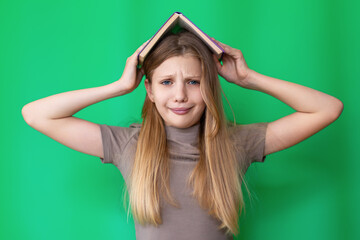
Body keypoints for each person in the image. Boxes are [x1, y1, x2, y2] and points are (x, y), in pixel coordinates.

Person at [22, 30, 343, 240]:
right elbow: (36, 114)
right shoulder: (127, 145)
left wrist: (249, 78)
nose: (179, 96)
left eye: (193, 81)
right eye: (166, 82)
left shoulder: (236, 144)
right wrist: (118, 87)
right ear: (147, 89)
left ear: (210, 87)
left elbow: (327, 109)